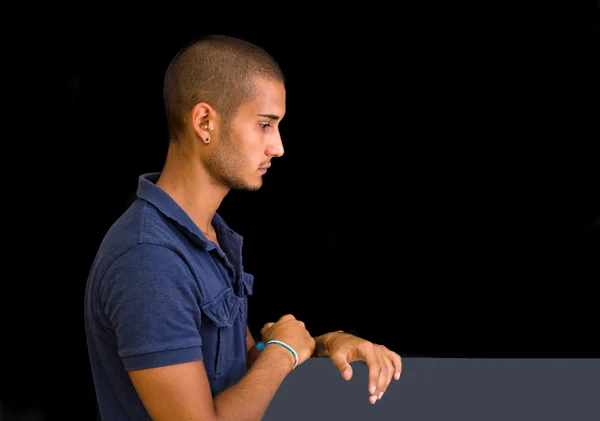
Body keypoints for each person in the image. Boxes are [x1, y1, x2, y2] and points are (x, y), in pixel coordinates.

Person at [84, 34, 402, 421]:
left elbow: (248, 371)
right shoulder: (149, 260)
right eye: (265, 125)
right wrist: (283, 353)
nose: (279, 147)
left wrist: (327, 344)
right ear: (205, 121)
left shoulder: (206, 238)